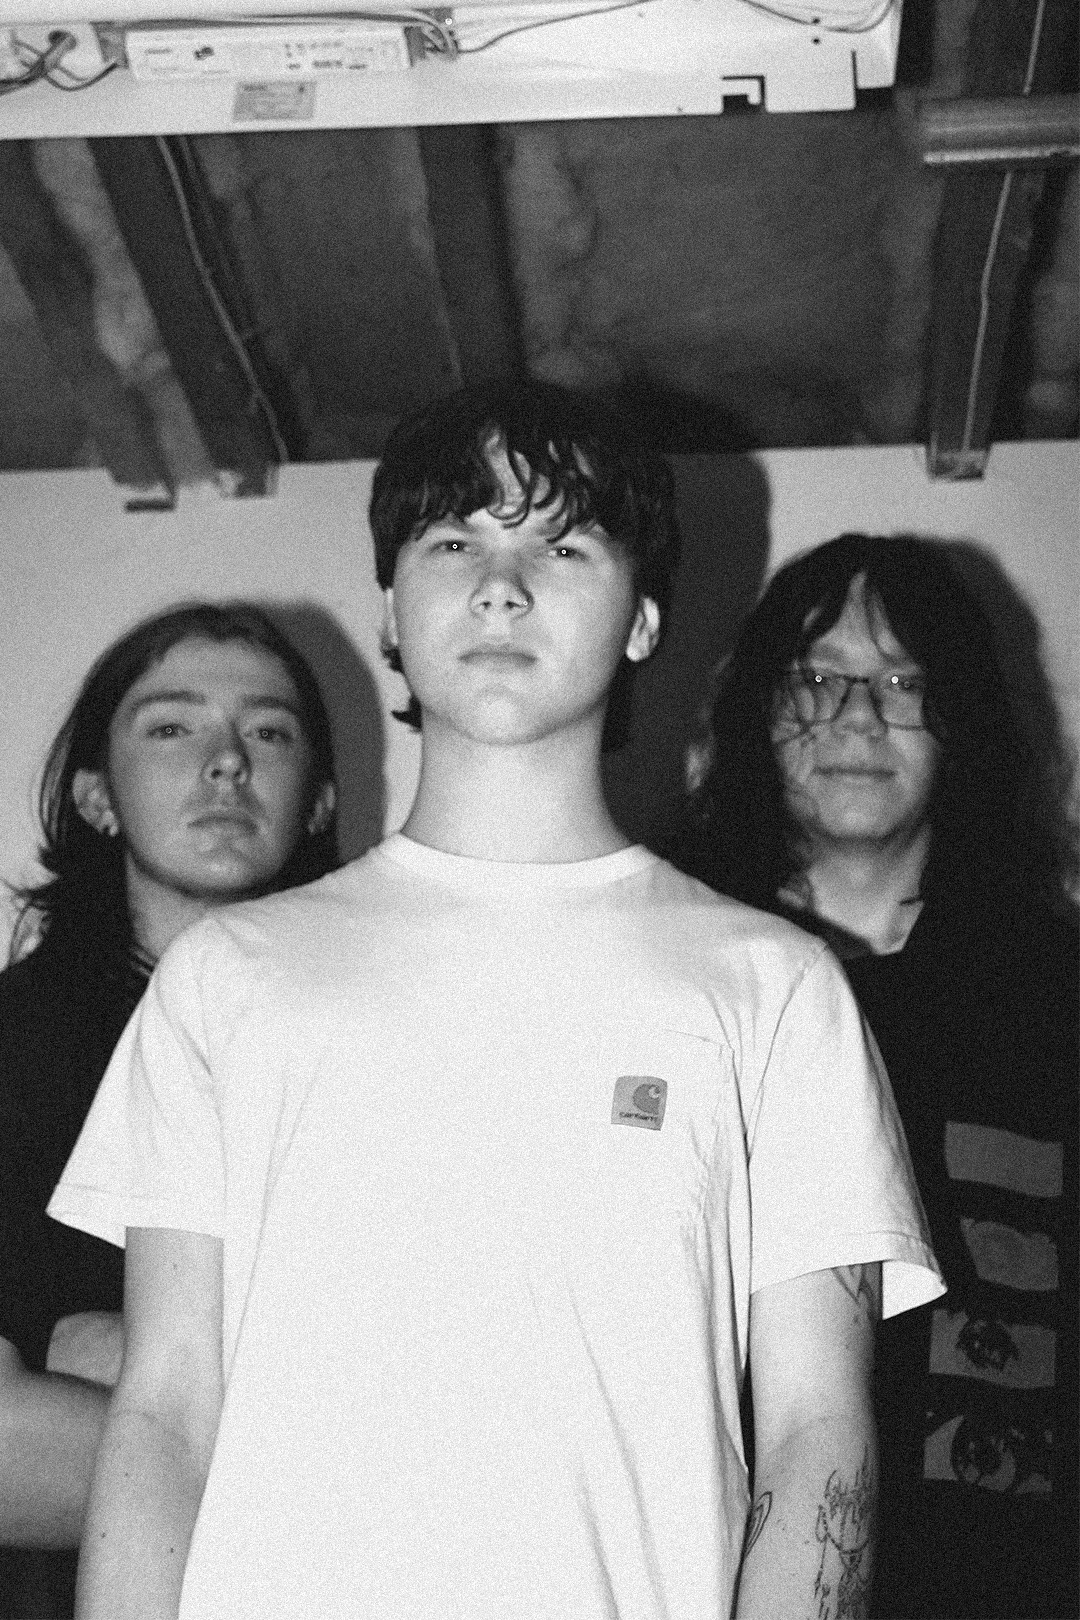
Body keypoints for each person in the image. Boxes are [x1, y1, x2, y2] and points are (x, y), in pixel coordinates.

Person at [50, 384, 942, 1620]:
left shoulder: (776, 987)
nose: (503, 584)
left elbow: (815, 1430)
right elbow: (163, 1410)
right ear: (391, 616)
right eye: (456, 540)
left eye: (562, 544)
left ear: (642, 620)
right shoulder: (228, 978)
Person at [670, 532, 1079, 1620]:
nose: (858, 717)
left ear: (965, 722)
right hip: (710, 1571)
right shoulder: (672, 976)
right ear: (759, 709)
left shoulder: (1056, 992)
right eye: (819, 678)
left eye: (903, 681)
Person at [0, 602, 339, 1619]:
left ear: (319, 802)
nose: (227, 761)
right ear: (98, 799)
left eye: (269, 731)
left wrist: (125, 1358)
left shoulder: (388, 1049)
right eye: (172, 726)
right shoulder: (19, 1046)